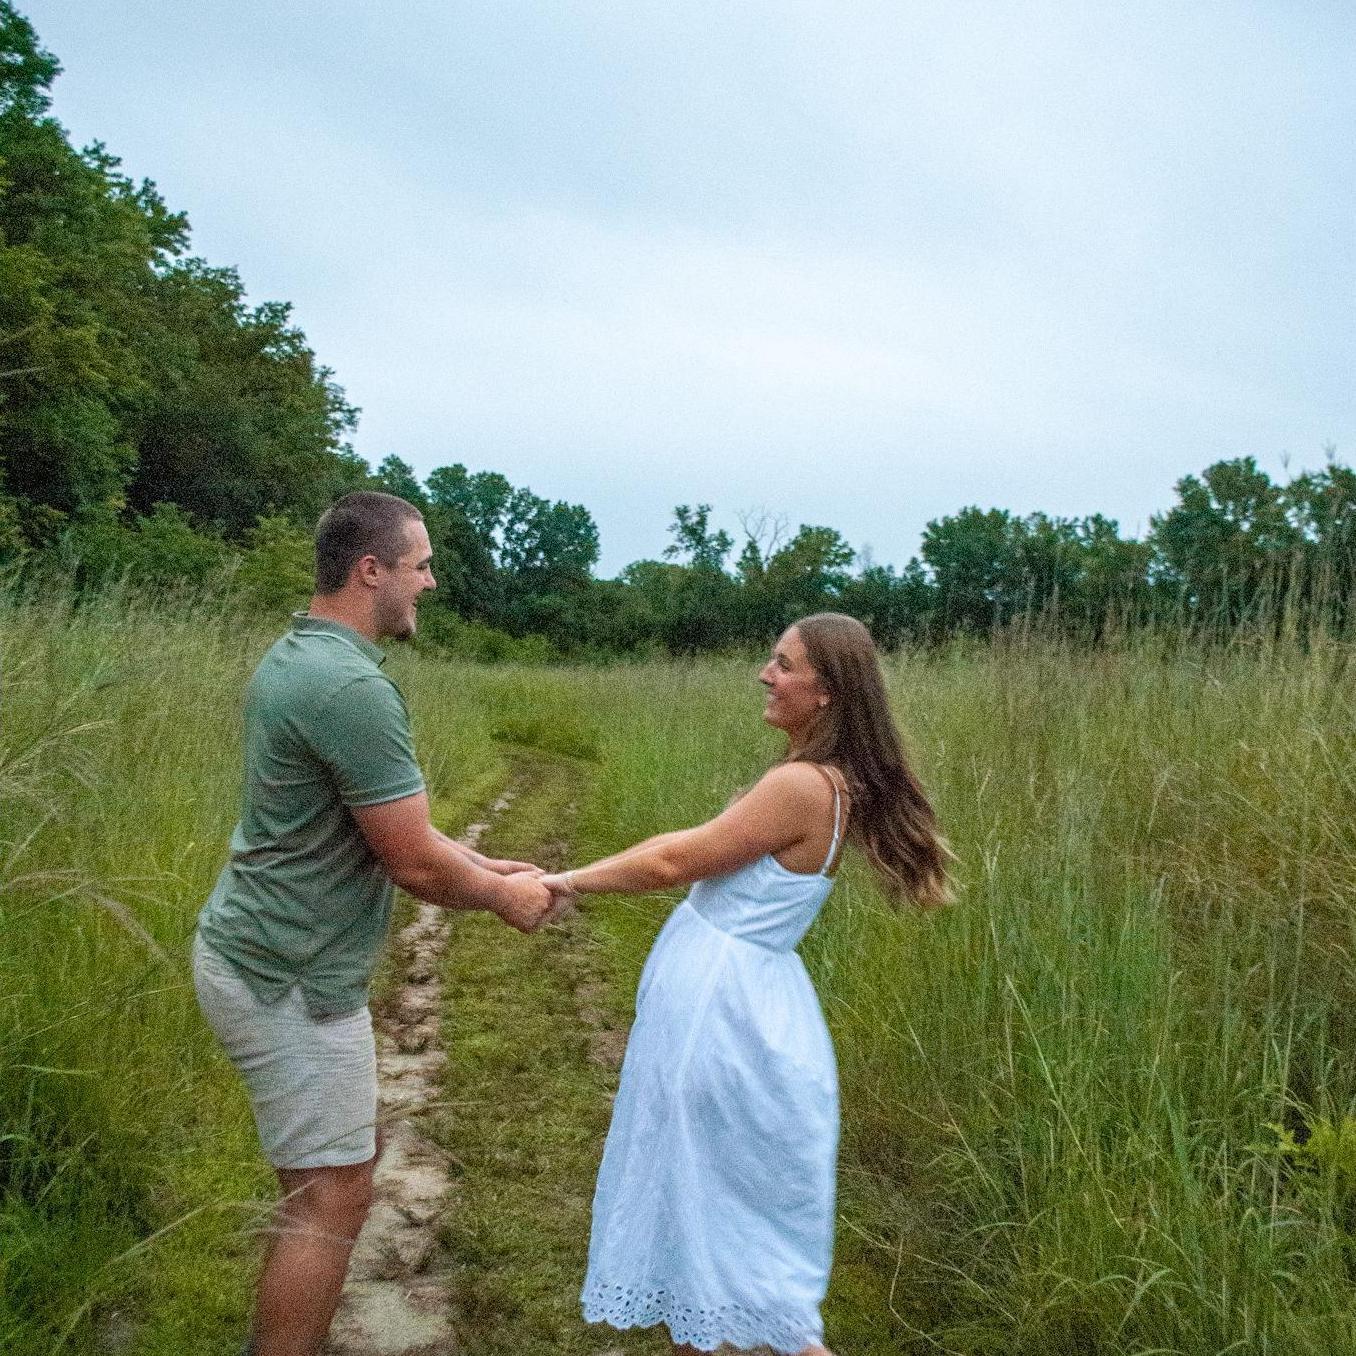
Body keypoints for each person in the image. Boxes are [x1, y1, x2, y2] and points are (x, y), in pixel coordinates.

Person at [192, 491, 553, 1356]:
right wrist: (502, 897)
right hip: (288, 976)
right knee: (334, 1195)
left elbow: (397, 830)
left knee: (326, 1175)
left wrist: (486, 864)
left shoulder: (300, 655)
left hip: (257, 952)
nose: (430, 582)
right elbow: (415, 863)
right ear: (370, 570)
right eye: (420, 566)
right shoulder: (351, 687)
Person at [541, 612, 953, 1356]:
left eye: (783, 664)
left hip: (722, 1015)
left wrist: (562, 882)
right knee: (703, 1224)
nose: (766, 674)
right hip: (740, 1002)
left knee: (714, 1226)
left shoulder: (803, 786)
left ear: (826, 691)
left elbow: (673, 863)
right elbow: (683, 846)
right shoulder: (818, 780)